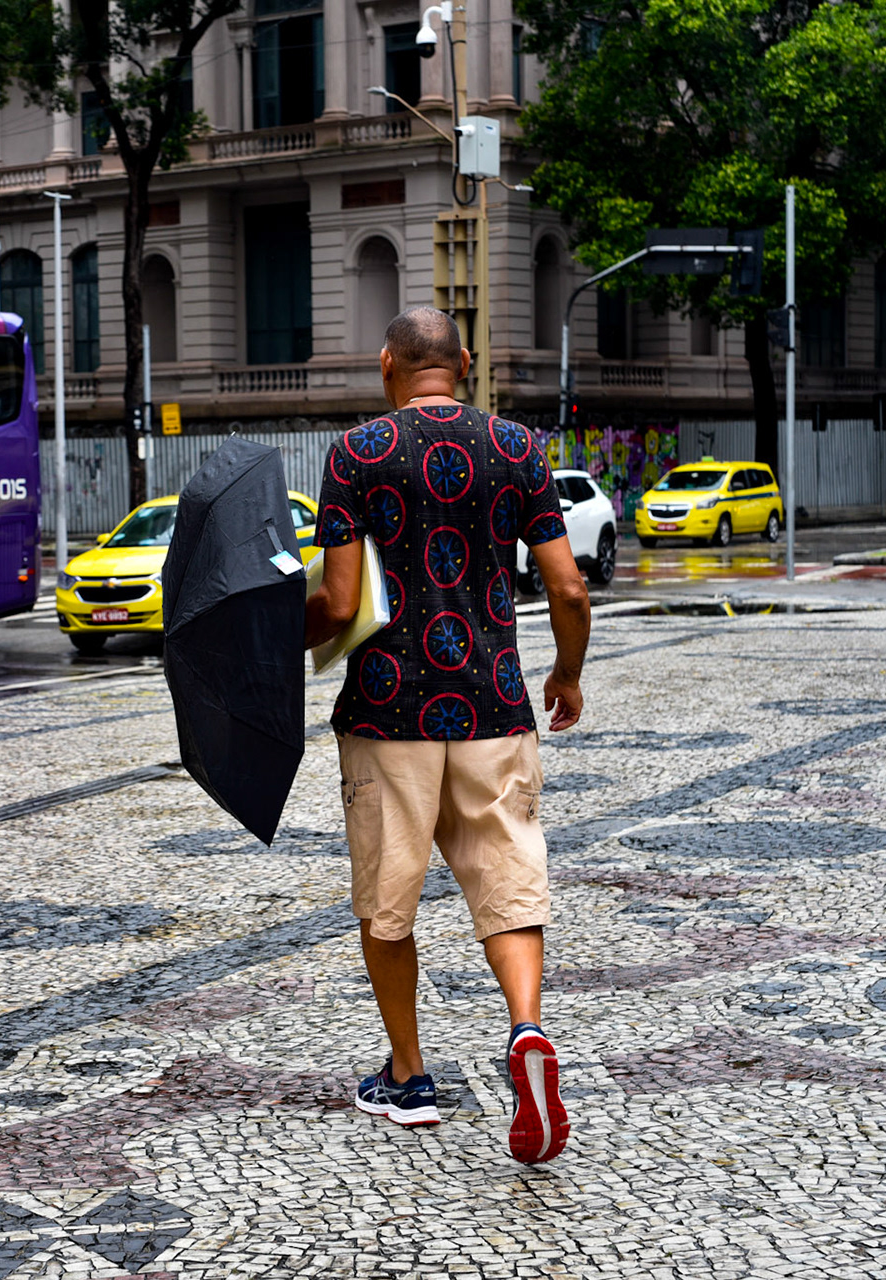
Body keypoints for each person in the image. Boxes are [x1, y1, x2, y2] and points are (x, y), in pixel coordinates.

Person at [306, 307, 592, 1165]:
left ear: (385, 364)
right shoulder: (519, 448)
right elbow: (569, 589)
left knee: (388, 906)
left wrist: (277, 635)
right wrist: (567, 674)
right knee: (509, 884)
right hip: (493, 705)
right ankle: (526, 1029)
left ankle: (410, 1077)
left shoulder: (355, 454)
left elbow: (339, 605)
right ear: (464, 363)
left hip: (387, 711)